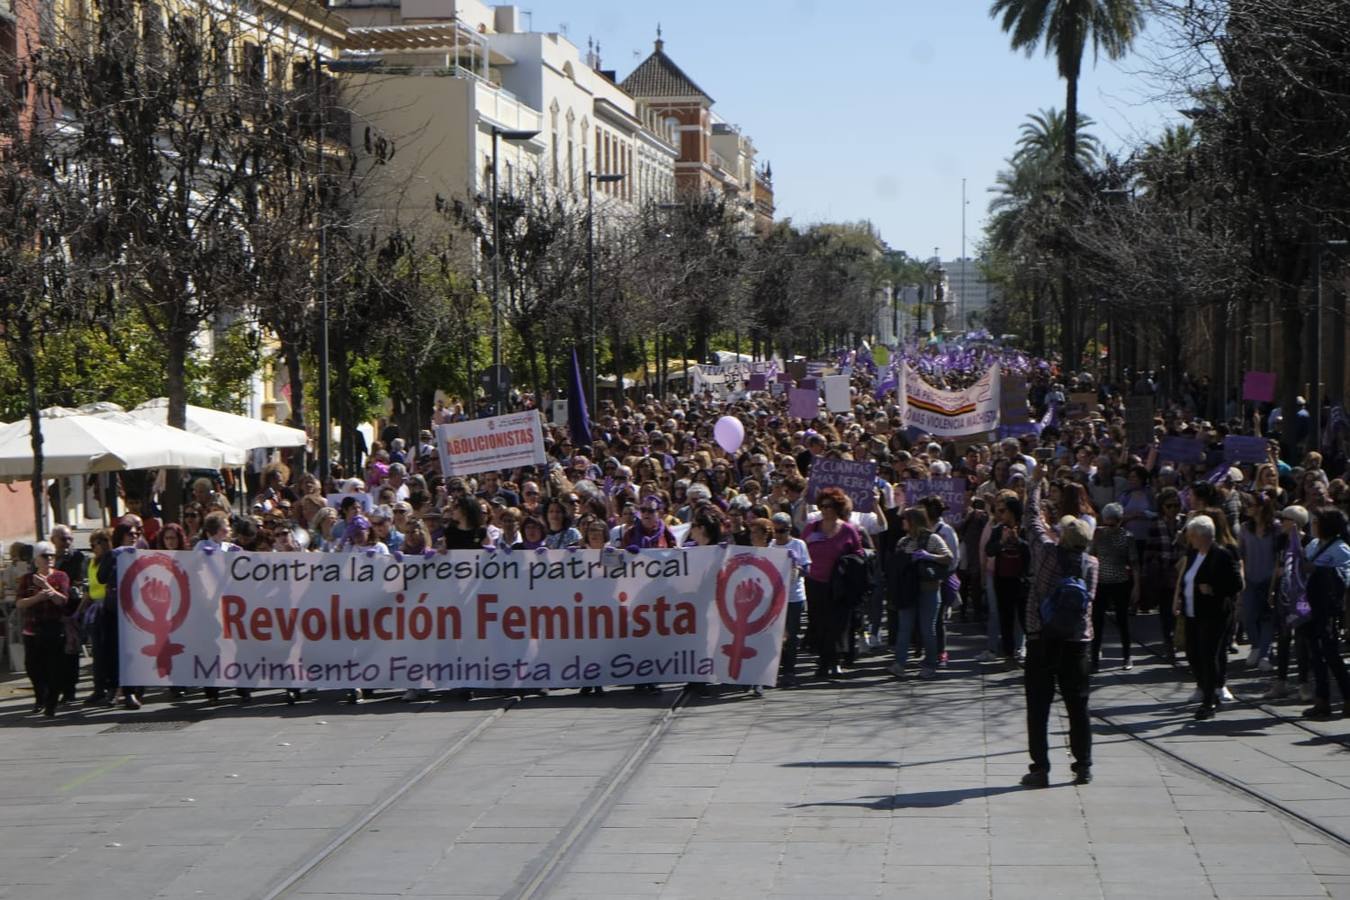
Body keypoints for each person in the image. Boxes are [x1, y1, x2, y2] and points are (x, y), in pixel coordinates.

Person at [1021, 477, 1098, 787]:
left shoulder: (1047, 553)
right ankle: (1083, 766)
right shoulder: (1091, 564)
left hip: (1042, 639)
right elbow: (1089, 601)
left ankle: (1040, 768)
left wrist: (1036, 484)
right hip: (1077, 641)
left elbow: (1030, 518)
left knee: (1038, 707)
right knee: (1078, 707)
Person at [1174, 515, 1243, 720]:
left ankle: (1209, 701)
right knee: (1193, 653)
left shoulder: (1221, 555)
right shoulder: (1194, 553)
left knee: (1208, 655)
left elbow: (1236, 584)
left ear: (1202, 536)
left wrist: (1214, 589)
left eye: (1192, 536)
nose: (1189, 540)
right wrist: (1179, 598)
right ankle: (1206, 688)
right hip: (1192, 612)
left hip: (1214, 614)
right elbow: (1187, 578)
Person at [800, 487, 863, 679]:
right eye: (822, 506)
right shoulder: (812, 528)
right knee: (819, 622)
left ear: (838, 507)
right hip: (815, 582)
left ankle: (831, 661)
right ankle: (823, 658)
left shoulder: (848, 529)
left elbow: (859, 553)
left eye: (830, 506)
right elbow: (801, 549)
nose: (825, 510)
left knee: (837, 623)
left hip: (838, 584)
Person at [888, 507, 952, 680]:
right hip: (907, 591)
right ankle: (899, 663)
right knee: (904, 628)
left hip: (928, 589)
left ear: (913, 521)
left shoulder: (932, 538)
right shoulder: (902, 542)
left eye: (905, 519)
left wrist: (928, 556)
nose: (902, 522)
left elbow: (948, 558)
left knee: (927, 628)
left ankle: (930, 663)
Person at [1299, 507, 1350, 719]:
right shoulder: (1312, 544)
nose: (1313, 524)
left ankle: (1347, 697)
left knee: (1330, 654)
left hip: (1327, 608)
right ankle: (1322, 700)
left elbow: (1346, 578)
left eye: (1317, 521)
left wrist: (1319, 570)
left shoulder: (1341, 549)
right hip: (1308, 604)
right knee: (1315, 654)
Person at [16, 541, 71, 717]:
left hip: (54, 628)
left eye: (52, 556)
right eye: (45, 556)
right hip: (32, 629)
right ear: (36, 559)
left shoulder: (60, 576)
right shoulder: (27, 579)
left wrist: (46, 586)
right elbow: (20, 603)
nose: (49, 559)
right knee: (33, 667)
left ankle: (51, 704)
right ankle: (41, 697)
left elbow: (63, 601)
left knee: (54, 667)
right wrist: (38, 597)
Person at [1089, 503, 1140, 672]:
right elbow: (1091, 555)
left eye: (1113, 523)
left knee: (1122, 620)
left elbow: (1134, 563)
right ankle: (1094, 659)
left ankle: (1127, 656)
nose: (1109, 526)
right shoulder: (1098, 534)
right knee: (1097, 621)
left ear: (1119, 521)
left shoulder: (1127, 537)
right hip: (1101, 583)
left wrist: (1137, 587)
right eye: (1107, 522)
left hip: (1120, 582)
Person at [1237, 491, 1279, 671]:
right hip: (1250, 579)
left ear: (1261, 507)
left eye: (1251, 505)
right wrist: (1241, 575)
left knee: (1267, 618)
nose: (1248, 508)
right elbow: (1241, 554)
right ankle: (1255, 645)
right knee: (1248, 616)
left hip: (1269, 579)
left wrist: (1274, 583)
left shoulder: (1275, 528)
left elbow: (1278, 556)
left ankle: (1264, 654)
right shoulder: (1245, 528)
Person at [768, 512, 809, 688]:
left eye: (782, 531)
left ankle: (789, 670)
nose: (778, 535)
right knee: (776, 635)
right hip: (776, 597)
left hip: (793, 596)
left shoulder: (798, 545)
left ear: (789, 529)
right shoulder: (770, 546)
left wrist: (797, 567)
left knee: (791, 635)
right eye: (775, 531)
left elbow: (807, 568)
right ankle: (776, 668)